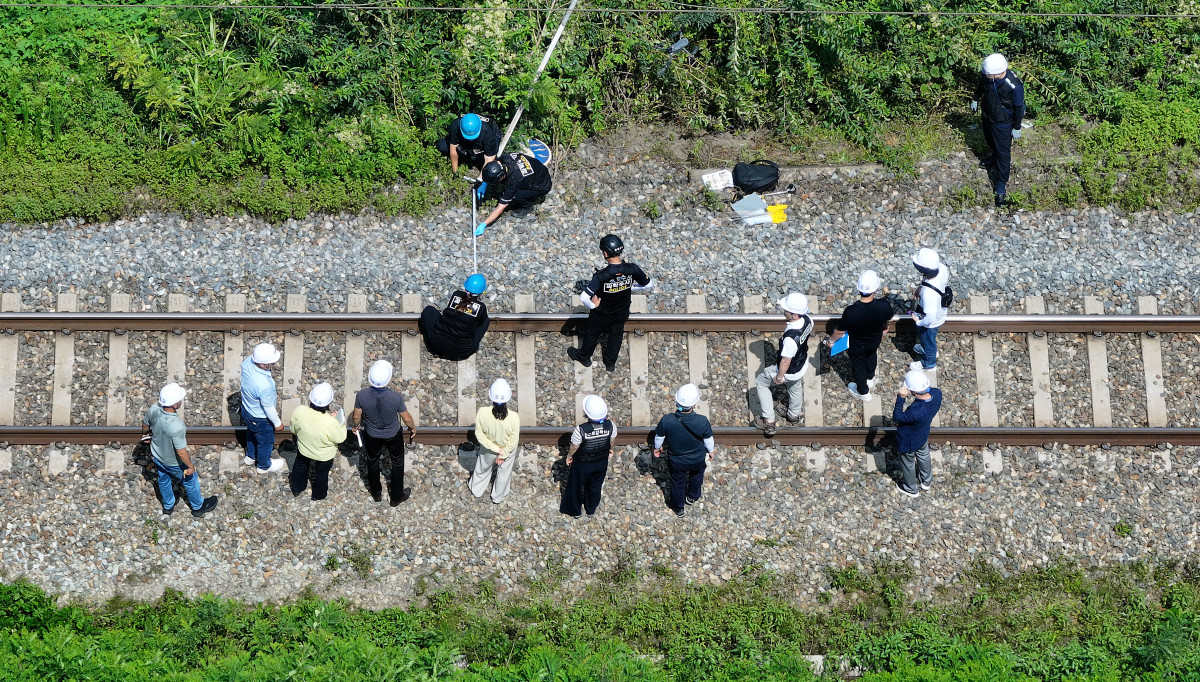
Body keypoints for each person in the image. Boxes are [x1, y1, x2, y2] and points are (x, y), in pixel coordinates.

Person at [567, 234, 655, 372]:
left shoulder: (601, 276)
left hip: (602, 313)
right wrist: (632, 287)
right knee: (616, 333)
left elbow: (584, 297)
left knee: (592, 333)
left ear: (606, 253)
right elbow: (649, 284)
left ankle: (584, 357)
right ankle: (610, 363)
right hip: (622, 310)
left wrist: (593, 305)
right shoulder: (632, 269)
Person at [141, 383, 219, 518]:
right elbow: (181, 452)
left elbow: (145, 424)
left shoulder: (153, 409)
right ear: (176, 405)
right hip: (174, 463)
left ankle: (168, 505)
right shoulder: (177, 426)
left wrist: (145, 435)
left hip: (157, 456)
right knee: (190, 480)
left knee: (163, 479)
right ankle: (198, 507)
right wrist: (190, 466)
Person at [352, 360, 417, 506]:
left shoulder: (362, 395)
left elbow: (356, 416)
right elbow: (406, 417)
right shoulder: (395, 397)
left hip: (372, 434)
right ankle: (396, 497)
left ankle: (376, 494)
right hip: (393, 434)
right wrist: (412, 428)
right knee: (397, 462)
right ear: (388, 379)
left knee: (372, 460)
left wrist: (356, 427)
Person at [752, 292, 814, 437]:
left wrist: (779, 377)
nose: (783, 311)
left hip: (789, 369)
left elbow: (786, 361)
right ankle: (793, 415)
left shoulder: (790, 340)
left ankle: (769, 420)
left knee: (761, 383)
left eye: (786, 310)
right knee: (795, 387)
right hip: (801, 364)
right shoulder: (808, 320)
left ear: (794, 315)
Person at [827, 270, 893, 402]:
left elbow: (840, 331)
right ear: (875, 289)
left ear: (859, 290)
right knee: (871, 355)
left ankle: (863, 391)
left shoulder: (851, 311)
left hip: (857, 344)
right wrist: (886, 326)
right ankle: (869, 378)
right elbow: (889, 318)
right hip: (875, 339)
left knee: (858, 365)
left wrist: (831, 341)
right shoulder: (884, 305)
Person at [653, 384, 715, 518]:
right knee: (697, 476)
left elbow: (659, 437)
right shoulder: (702, 421)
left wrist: (657, 448)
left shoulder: (667, 420)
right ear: (694, 404)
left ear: (677, 402)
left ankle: (679, 508)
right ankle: (692, 497)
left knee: (677, 483)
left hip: (677, 460)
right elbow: (708, 439)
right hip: (697, 458)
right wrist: (711, 451)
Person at [972, 53, 1025, 207]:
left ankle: (1001, 186)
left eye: (987, 74)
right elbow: (981, 85)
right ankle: (993, 158)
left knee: (1003, 154)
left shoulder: (1014, 85)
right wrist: (975, 98)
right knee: (989, 140)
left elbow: (1018, 107)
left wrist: (1016, 127)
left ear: (997, 73)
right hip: (988, 115)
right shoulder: (989, 77)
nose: (985, 75)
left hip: (1003, 122)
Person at [288, 382, 347, 501]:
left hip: (304, 449)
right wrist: (340, 423)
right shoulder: (331, 422)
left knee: (300, 465)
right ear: (328, 403)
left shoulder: (300, 411)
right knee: (322, 474)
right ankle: (318, 495)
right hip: (324, 455)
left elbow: (293, 429)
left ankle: (297, 488)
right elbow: (340, 438)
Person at [560, 395, 616, 519]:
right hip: (601, 462)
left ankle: (575, 511)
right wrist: (610, 450)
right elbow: (611, 440)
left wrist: (569, 456)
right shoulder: (611, 425)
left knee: (575, 485)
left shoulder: (581, 430)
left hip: (582, 464)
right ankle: (590, 509)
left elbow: (574, 446)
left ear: (587, 414)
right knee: (595, 485)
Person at [468, 379, 522, 504]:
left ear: (490, 395)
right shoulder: (514, 417)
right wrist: (502, 454)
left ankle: (476, 489)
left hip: (488, 449)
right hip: (507, 450)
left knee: (482, 468)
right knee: (504, 473)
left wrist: (496, 450)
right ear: (509, 397)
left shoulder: (482, 412)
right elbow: (514, 441)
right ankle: (498, 497)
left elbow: (479, 435)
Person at [892, 369, 943, 498]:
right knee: (924, 455)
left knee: (908, 463)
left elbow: (897, 416)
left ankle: (911, 488)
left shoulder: (916, 412)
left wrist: (901, 398)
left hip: (908, 440)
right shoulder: (937, 394)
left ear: (913, 392)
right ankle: (926, 481)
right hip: (922, 434)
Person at [474, 152, 552, 234]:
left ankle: (527, 207)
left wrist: (484, 224)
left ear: (501, 176)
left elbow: (500, 208)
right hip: (539, 170)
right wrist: (484, 183)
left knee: (514, 196)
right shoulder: (505, 158)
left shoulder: (514, 180)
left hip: (542, 186)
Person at [419, 274, 490, 362]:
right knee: (485, 321)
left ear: (466, 287)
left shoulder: (456, 295)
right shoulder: (481, 308)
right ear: (481, 292)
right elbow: (482, 323)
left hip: (438, 345)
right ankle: (472, 347)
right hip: (462, 351)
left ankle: (435, 347)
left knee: (429, 310)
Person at [240, 342, 286, 472]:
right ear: (263, 364)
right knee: (265, 442)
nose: (274, 364)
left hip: (247, 410)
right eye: (272, 363)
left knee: (251, 433)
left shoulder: (247, 362)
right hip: (261, 418)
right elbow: (268, 408)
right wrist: (277, 423)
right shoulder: (264, 385)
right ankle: (263, 466)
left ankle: (250, 457)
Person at [910, 248, 949, 372]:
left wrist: (918, 322)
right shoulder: (942, 268)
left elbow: (929, 319)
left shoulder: (929, 294)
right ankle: (927, 349)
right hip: (939, 311)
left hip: (931, 320)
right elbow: (927, 282)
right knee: (929, 339)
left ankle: (929, 363)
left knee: (928, 339)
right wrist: (920, 288)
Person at [435, 113, 501, 172]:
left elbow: (489, 160)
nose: (471, 139)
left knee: (492, 168)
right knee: (442, 146)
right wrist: (455, 171)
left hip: (482, 145)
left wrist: (480, 180)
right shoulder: (456, 125)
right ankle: (465, 157)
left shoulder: (489, 133)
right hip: (464, 141)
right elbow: (453, 150)